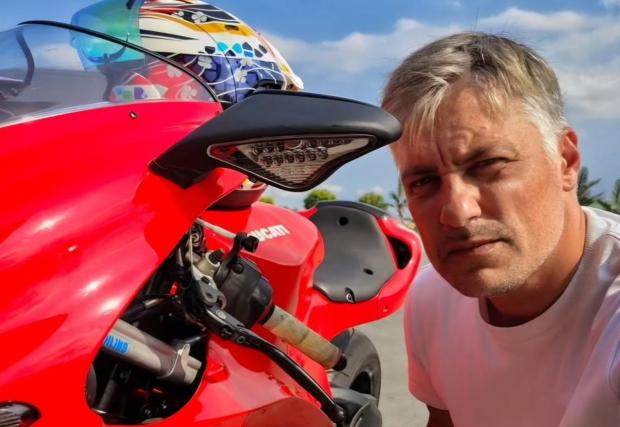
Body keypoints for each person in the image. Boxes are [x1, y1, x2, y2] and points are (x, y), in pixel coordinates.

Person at [381, 32, 620, 427]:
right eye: (423, 182)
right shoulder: (431, 299)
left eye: (488, 164)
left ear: (565, 161)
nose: (457, 212)